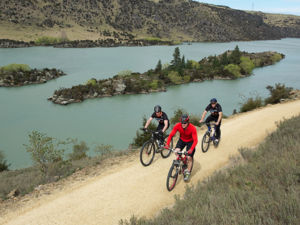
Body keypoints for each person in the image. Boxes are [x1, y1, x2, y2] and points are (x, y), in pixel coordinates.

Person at [165, 114, 198, 182]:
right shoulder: (178, 125)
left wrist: (191, 149)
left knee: (189, 158)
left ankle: (188, 172)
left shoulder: (192, 128)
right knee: (176, 151)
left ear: (188, 122)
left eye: (185, 123)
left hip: (190, 142)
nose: (183, 124)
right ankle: (181, 161)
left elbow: (195, 140)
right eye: (182, 123)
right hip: (182, 140)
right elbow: (171, 135)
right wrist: (167, 144)